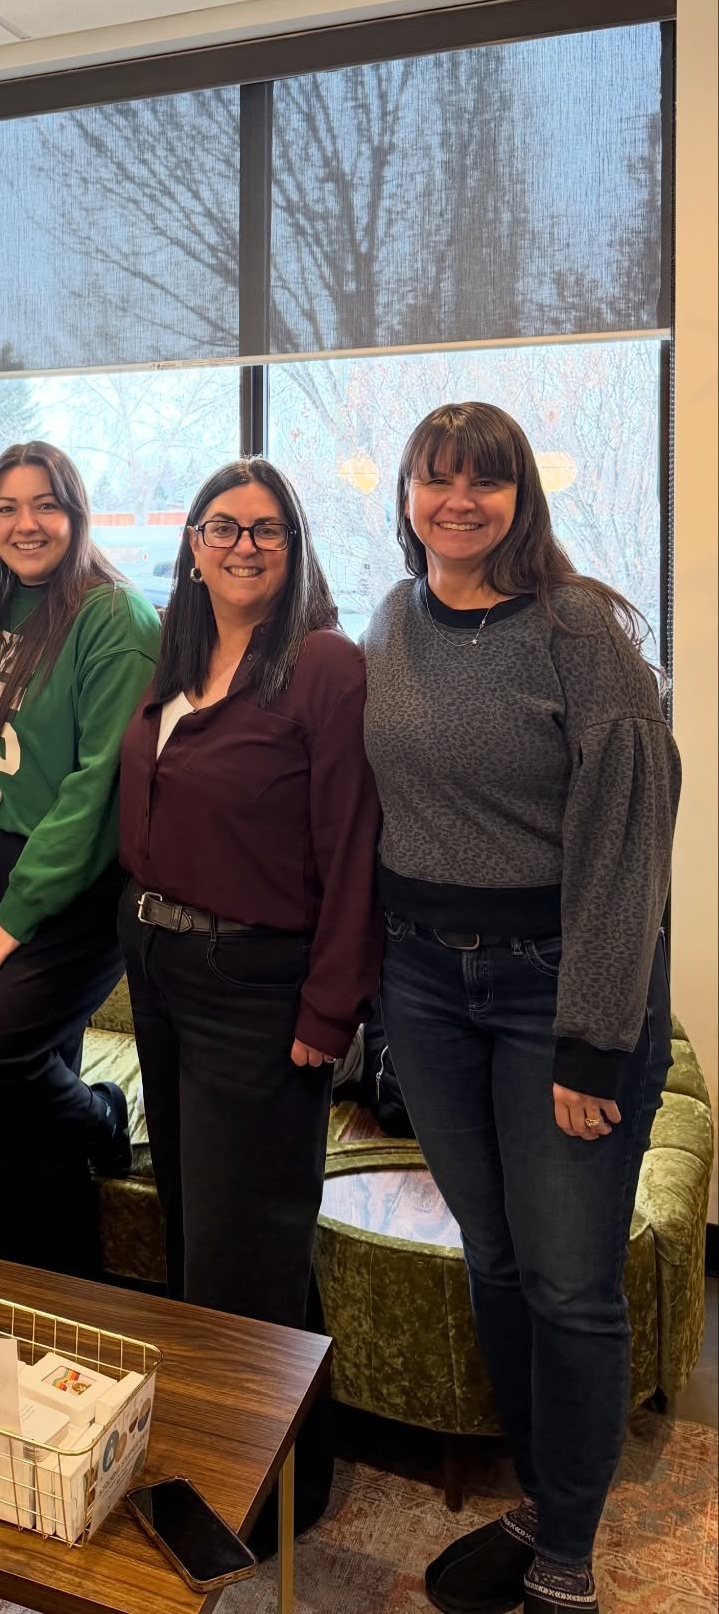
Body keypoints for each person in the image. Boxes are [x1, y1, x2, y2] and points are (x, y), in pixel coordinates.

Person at [363, 404, 680, 1614]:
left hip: (557, 987)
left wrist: (596, 1042)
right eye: (436, 481)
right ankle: (542, 1497)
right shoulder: (393, 623)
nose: (458, 502)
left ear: (520, 497)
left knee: (569, 1281)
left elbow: (628, 847)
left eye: (484, 484)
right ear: (406, 496)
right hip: (427, 989)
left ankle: (565, 1562)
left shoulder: (582, 630)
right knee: (492, 1260)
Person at [116, 457, 381, 1553]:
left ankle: (271, 1492)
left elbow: (353, 848)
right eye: (222, 527)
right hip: (164, 972)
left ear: (294, 545)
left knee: (249, 1250)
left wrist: (330, 1013)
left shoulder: (323, 667)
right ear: (191, 543)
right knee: (198, 1235)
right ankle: (238, 1453)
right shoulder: (176, 658)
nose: (242, 545)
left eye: (266, 529)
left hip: (260, 989)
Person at [0, 442, 160, 1276]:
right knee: (25, 1130)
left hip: (71, 882)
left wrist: (16, 913)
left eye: (45, 505)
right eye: (5, 509)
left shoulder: (114, 618)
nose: (25, 525)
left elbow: (98, 790)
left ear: (76, 511)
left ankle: (104, 1119)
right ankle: (49, 1304)